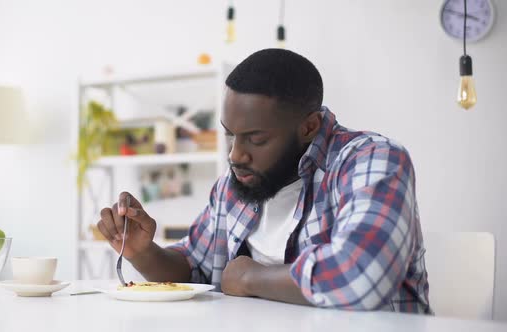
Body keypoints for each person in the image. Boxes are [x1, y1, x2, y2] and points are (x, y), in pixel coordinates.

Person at [97, 48, 431, 313]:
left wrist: (249, 277)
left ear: (309, 127)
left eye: (256, 139)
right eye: (231, 136)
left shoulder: (372, 160)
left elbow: (360, 277)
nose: (235, 155)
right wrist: (142, 252)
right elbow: (193, 270)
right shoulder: (237, 184)